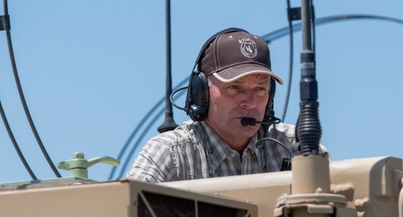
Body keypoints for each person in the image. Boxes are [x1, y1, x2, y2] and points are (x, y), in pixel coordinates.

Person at [127, 28, 298, 182]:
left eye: (260, 88)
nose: (250, 102)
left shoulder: (297, 145)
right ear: (201, 93)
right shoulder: (169, 154)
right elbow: (126, 210)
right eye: (234, 87)